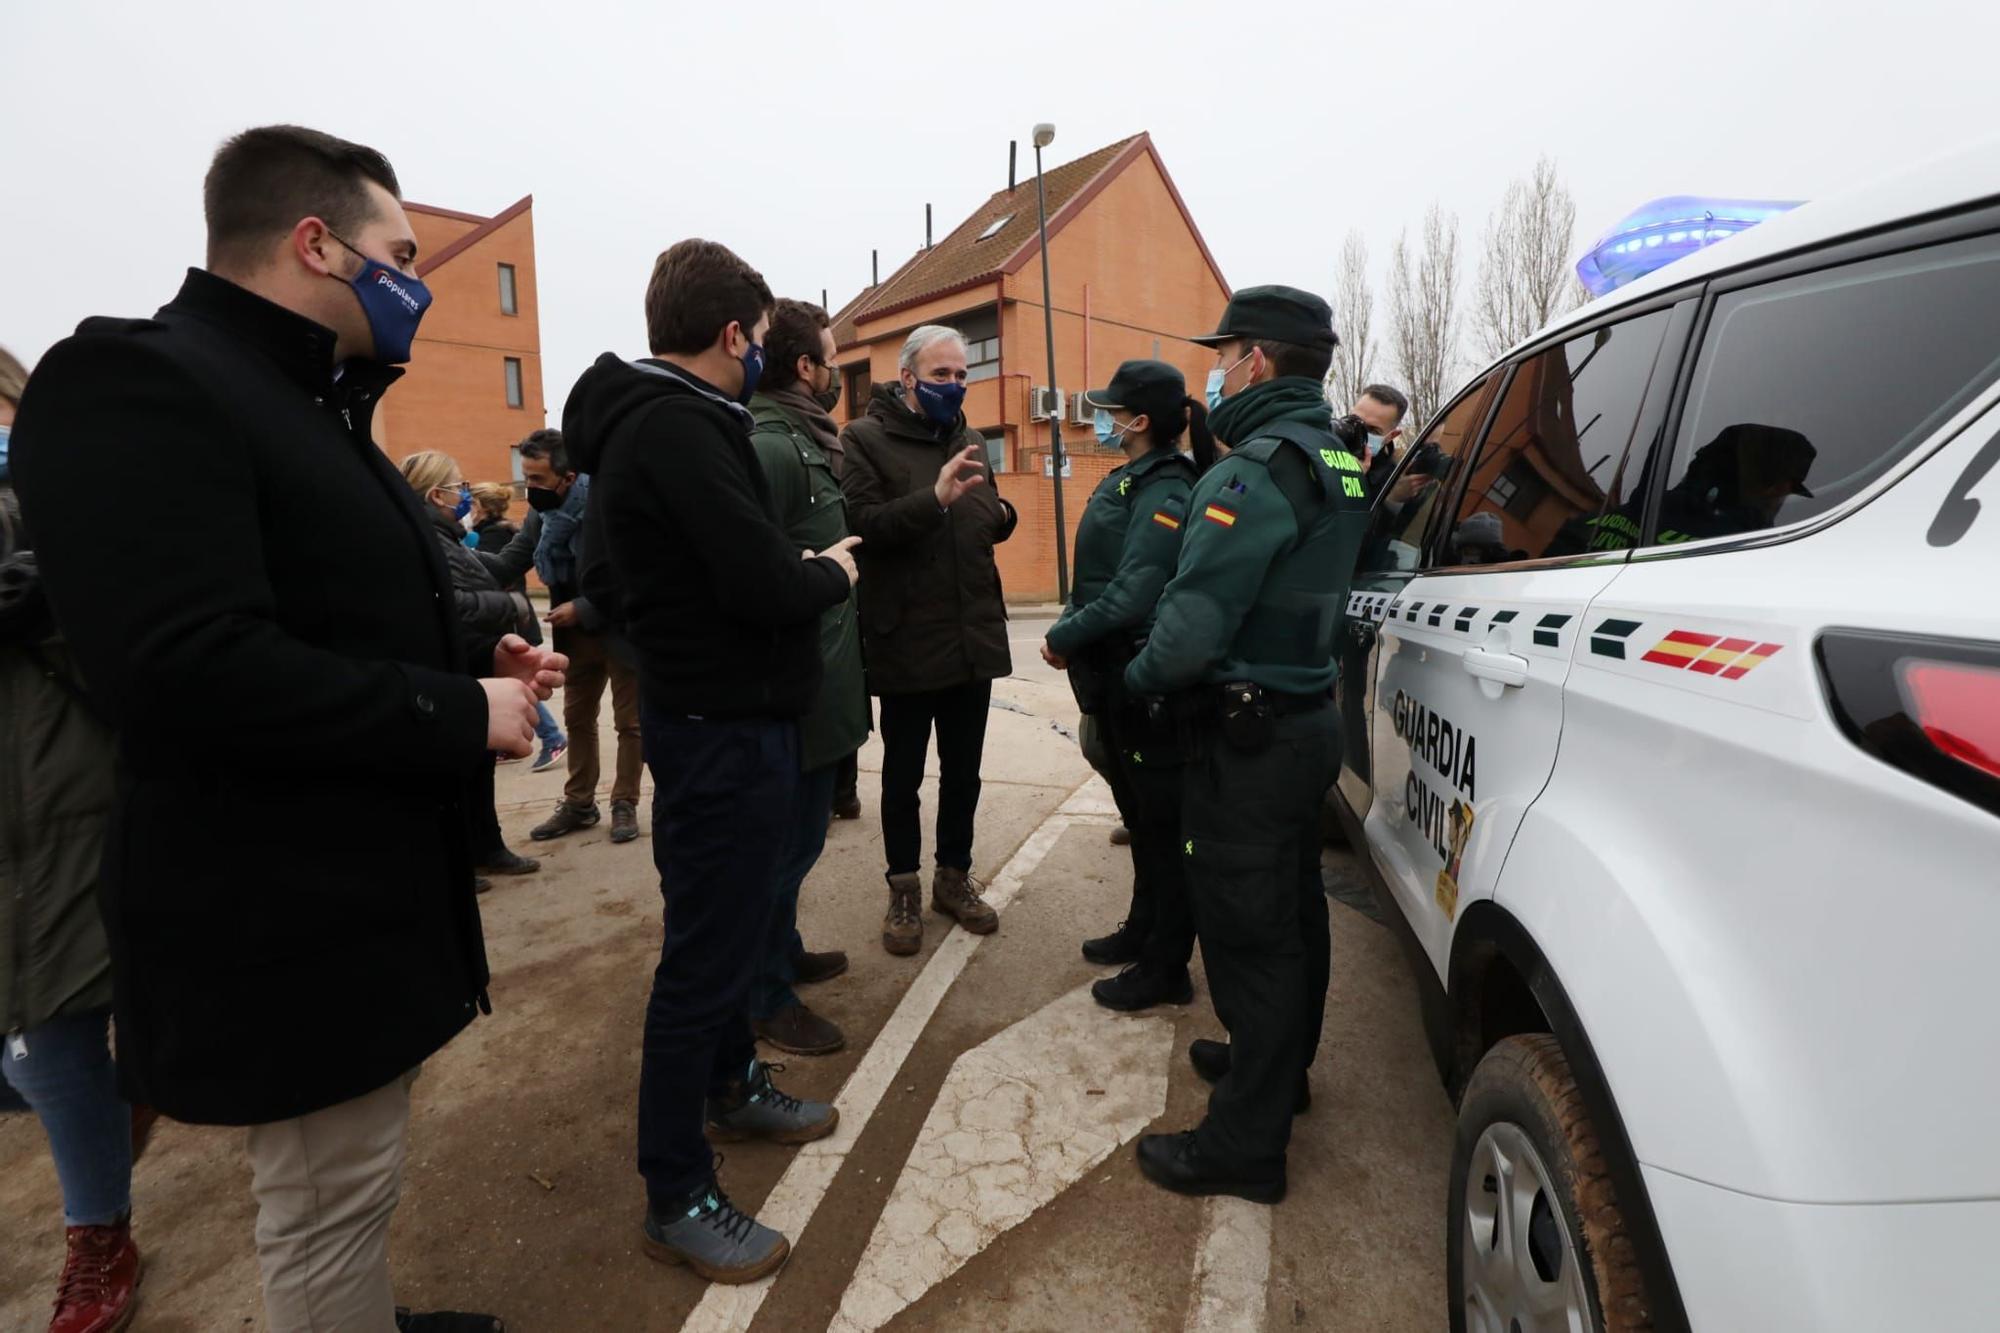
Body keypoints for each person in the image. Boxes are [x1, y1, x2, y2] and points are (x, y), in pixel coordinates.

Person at [10, 124, 563, 1332]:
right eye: (400, 252)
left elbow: (320, 602)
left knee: (350, 1195)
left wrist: (473, 650)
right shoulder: (138, 379)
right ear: (315, 244)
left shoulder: (303, 403)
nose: (417, 280)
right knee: (321, 1207)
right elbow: (183, 665)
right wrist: (453, 708)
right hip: (280, 914)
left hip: (355, 898)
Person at [564, 238, 857, 1283]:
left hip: (721, 715)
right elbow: (763, 582)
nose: (770, 359)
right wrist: (825, 570)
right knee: (700, 963)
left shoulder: (648, 424)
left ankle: (734, 1087)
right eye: (766, 343)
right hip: (721, 726)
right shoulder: (677, 426)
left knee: (727, 945)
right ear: (735, 335)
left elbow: (603, 576)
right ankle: (675, 1189)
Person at [1124, 286, 1370, 1204]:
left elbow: (1187, 632)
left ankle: (1243, 1143)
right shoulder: (1338, 458)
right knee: (1294, 909)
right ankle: (1279, 1071)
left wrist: (1138, 679)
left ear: (1257, 360)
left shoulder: (1251, 470)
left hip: (1250, 738)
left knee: (1247, 935)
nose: (1215, 371)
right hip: (1309, 724)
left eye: (1223, 353)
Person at [0, 344, 153, 1333]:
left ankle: (99, 1232)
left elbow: (142, 643)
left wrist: (48, 593)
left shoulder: (65, 507)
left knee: (49, 1034)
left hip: (61, 805)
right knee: (25, 1055)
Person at [1041, 360, 1212, 1013]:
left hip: (1142, 683)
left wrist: (1067, 634)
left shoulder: (1166, 487)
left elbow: (1136, 589)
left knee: (1164, 828)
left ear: (1140, 421)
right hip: (1112, 677)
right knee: (1141, 819)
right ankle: (1144, 929)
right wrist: (1072, 626)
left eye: (1115, 410)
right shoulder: (1136, 477)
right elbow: (1101, 581)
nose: (1106, 419)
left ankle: (1168, 964)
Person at [840, 325, 1016, 955]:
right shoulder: (862, 439)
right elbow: (863, 526)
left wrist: (1002, 515)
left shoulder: (969, 437)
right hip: (907, 638)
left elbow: (985, 510)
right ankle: (903, 888)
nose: (955, 386)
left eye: (961, 375)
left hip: (972, 636)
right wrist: (933, 500)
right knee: (902, 776)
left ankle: (951, 877)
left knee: (964, 772)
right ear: (908, 377)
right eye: (941, 375)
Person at [742, 299, 872, 1055]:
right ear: (806, 366)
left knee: (801, 847)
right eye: (830, 358)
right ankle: (763, 994)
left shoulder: (805, 436)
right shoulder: (770, 444)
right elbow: (758, 572)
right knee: (781, 852)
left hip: (823, 679)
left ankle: (781, 953)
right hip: (795, 688)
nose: (835, 373)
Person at [399, 450, 542, 884]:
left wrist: (539, 519)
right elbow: (451, 605)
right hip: (449, 663)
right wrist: (510, 605)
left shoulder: (449, 536)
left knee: (479, 762)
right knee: (459, 766)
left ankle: (486, 846)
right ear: (435, 492)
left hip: (470, 660)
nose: (465, 494)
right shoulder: (425, 537)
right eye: (459, 486)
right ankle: (459, 856)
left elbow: (496, 569)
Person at [520, 430, 644, 845]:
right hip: (576, 640)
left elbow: (635, 569)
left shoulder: (609, 504)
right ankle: (579, 803)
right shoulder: (542, 514)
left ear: (569, 476)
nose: (530, 490)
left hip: (620, 630)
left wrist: (584, 607)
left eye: (537, 480)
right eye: (526, 479)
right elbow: (516, 556)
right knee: (577, 721)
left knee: (630, 723)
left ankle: (624, 803)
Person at [470, 488, 567, 771]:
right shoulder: (508, 528)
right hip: (510, 618)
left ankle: (552, 738)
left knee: (522, 684)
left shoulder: (492, 534)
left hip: (509, 621)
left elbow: (495, 573)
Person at [1352, 382, 1410, 497]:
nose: (1358, 431)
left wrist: (1355, 481)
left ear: (1391, 436)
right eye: (1354, 420)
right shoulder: (1321, 447)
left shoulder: (1392, 481)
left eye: (1372, 430)